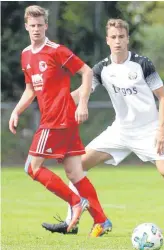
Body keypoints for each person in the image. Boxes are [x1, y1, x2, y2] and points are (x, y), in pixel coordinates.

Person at [41, 18, 164, 237]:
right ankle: (70, 223)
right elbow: (83, 92)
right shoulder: (102, 68)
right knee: (77, 167)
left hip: (149, 130)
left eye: (121, 37)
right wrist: (56, 103)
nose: (118, 41)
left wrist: (160, 130)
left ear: (127, 39)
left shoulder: (142, 64)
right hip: (120, 131)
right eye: (113, 37)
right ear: (107, 40)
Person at [9, 5, 109, 235]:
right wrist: (17, 111)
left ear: (46, 26)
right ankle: (101, 220)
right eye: (32, 26)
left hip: (58, 118)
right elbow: (30, 89)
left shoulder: (56, 51)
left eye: (40, 25)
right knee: (75, 173)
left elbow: (86, 72)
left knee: (32, 168)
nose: (36, 29)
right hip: (59, 120)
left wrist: (82, 102)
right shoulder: (26, 54)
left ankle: (75, 202)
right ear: (26, 27)